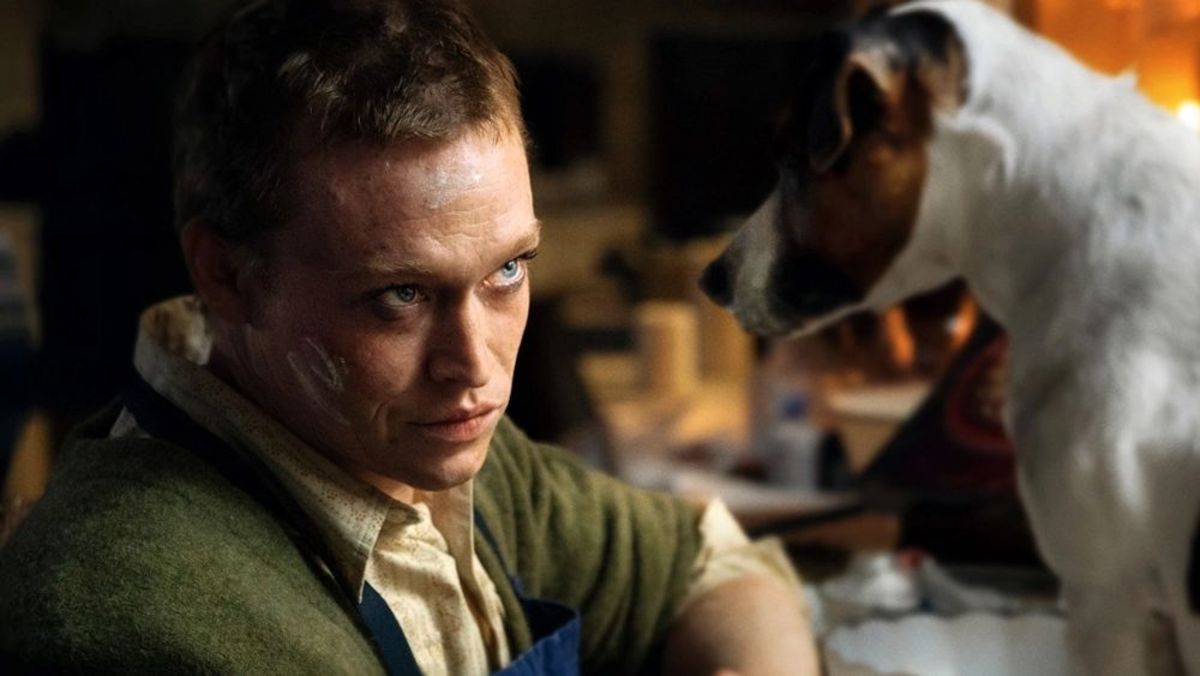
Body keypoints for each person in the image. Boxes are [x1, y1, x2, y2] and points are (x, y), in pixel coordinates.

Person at [0, 0, 818, 673]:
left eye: (507, 269)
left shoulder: (434, 452)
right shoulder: (135, 619)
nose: (475, 364)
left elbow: (710, 562)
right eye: (400, 295)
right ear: (227, 276)